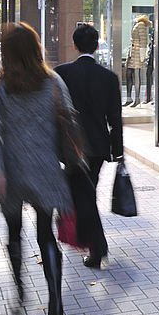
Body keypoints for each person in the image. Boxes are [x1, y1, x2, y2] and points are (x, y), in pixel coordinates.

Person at [0, 22, 76, 315]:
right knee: (46, 234)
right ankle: (56, 303)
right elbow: (70, 118)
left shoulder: (0, 89)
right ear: (37, 50)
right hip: (46, 168)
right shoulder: (53, 83)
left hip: (13, 172)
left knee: (13, 233)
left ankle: (21, 289)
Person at [54, 24, 122, 269]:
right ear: (96, 46)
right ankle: (90, 244)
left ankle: (97, 248)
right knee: (86, 193)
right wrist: (119, 152)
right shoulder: (109, 77)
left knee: (83, 196)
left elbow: (56, 114)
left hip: (71, 147)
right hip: (99, 148)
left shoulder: (61, 73)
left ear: (74, 45)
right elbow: (115, 118)